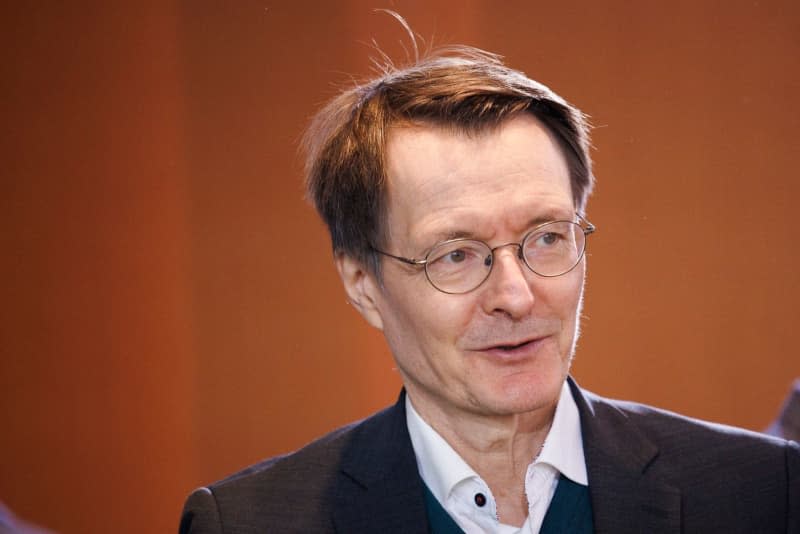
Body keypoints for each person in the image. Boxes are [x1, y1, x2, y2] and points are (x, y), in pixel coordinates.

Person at [180, 45, 799, 533]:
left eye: (547, 238)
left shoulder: (766, 492)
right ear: (363, 282)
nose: (518, 296)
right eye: (457, 254)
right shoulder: (249, 523)